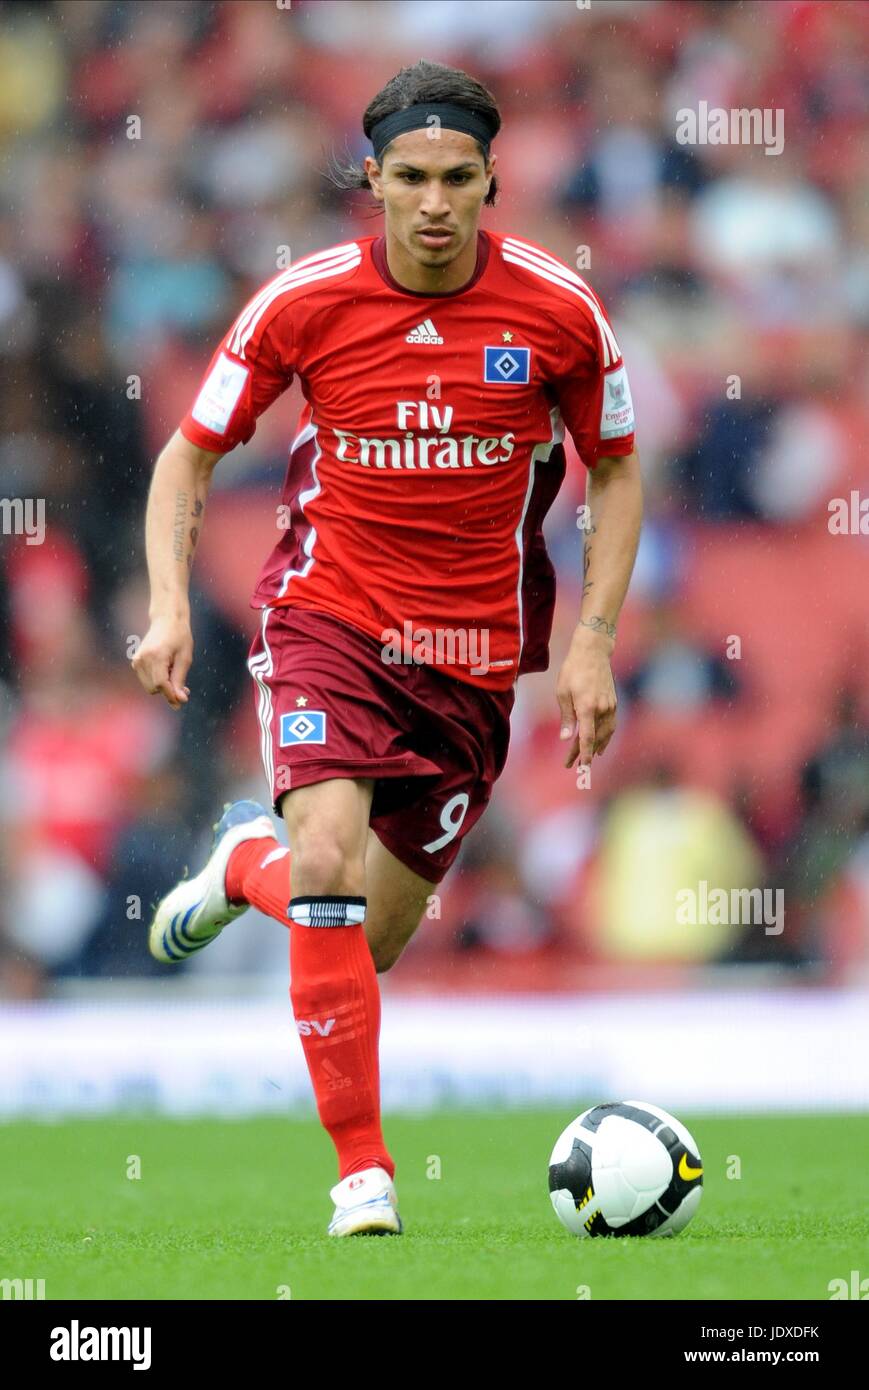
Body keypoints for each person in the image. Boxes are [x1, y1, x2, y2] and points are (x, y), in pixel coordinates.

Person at [131, 60, 642, 1236]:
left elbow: (614, 469)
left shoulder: (559, 312)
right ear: (371, 179)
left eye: (456, 177)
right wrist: (166, 606)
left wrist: (593, 641)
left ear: (490, 181)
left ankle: (235, 871)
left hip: (470, 657)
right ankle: (363, 1171)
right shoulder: (300, 302)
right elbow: (188, 454)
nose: (431, 201)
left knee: (369, 938)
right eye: (408, 176)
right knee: (326, 858)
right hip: (329, 621)